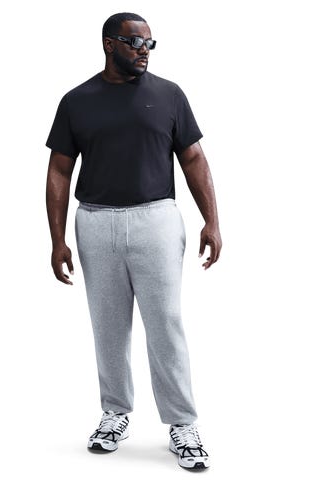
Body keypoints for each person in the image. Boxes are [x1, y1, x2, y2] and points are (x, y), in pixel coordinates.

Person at [45, 12, 222, 470]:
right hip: (95, 221)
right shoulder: (77, 101)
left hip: (156, 218)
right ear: (109, 44)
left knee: (165, 323)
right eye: (134, 42)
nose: (144, 51)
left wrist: (212, 221)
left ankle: (182, 423)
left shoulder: (169, 95)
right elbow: (59, 169)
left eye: (149, 44)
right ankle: (114, 413)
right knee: (108, 325)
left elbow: (194, 158)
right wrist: (57, 239)